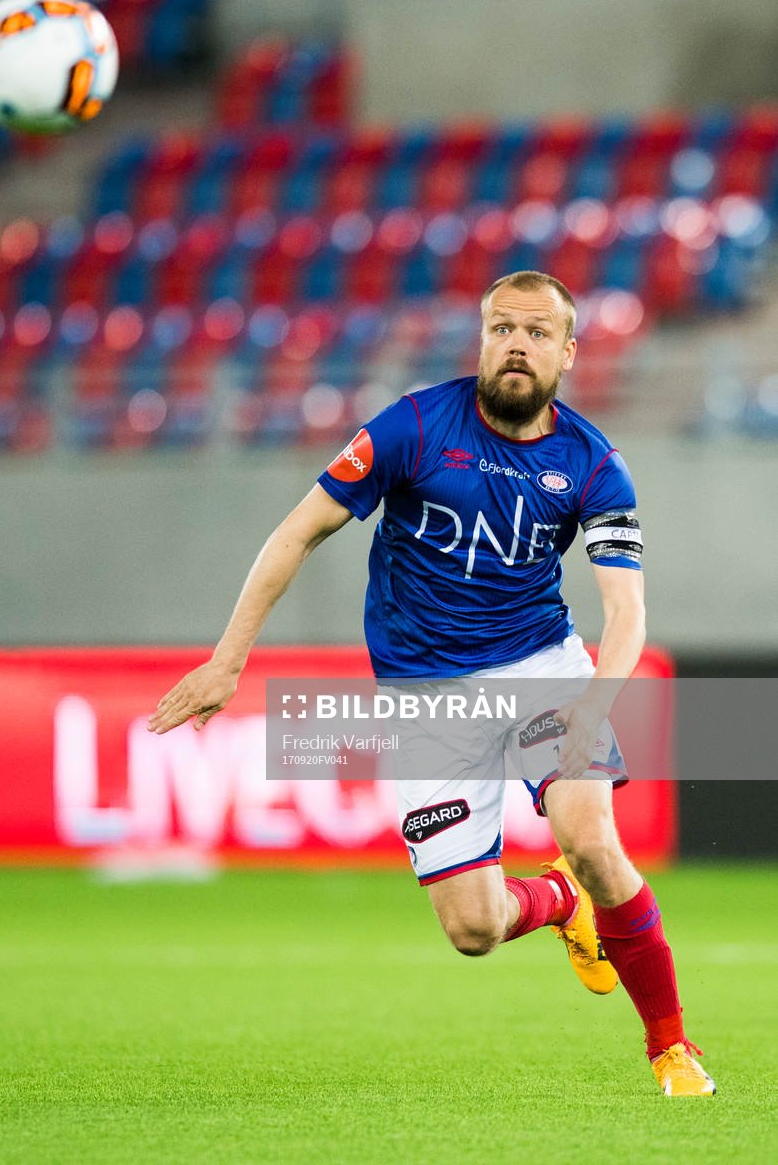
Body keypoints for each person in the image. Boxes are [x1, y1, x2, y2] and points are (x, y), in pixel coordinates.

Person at [148, 270, 715, 1097]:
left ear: (567, 352)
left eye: (535, 331)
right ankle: (560, 904)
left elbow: (624, 611)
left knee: (591, 836)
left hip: (539, 670)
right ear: (482, 339)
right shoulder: (412, 427)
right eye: (501, 328)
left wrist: (596, 708)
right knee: (475, 929)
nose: (516, 343)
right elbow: (296, 532)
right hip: (423, 697)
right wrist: (229, 659)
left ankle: (670, 1048)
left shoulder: (594, 465)